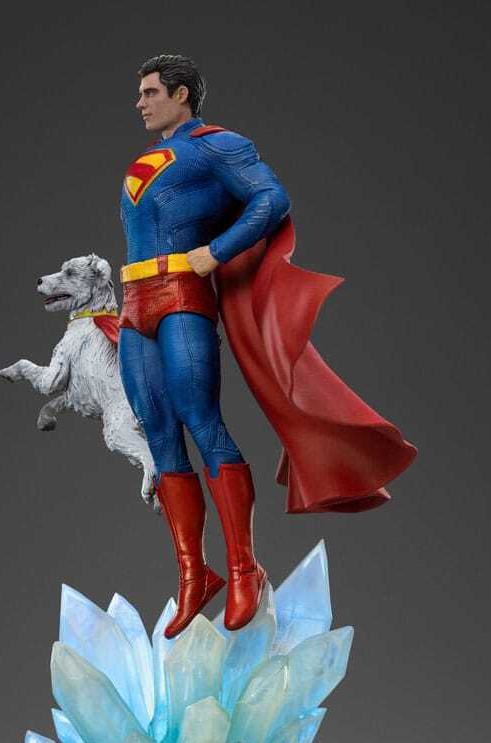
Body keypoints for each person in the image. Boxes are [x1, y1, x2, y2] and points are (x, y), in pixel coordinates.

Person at [118, 54, 416, 639]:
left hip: (181, 293)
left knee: (201, 419)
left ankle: (243, 569)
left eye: (151, 92)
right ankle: (193, 575)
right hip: (135, 301)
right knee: (157, 429)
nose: (141, 102)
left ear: (181, 94)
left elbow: (270, 199)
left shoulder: (217, 145)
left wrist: (217, 252)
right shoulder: (154, 154)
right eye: (141, 93)